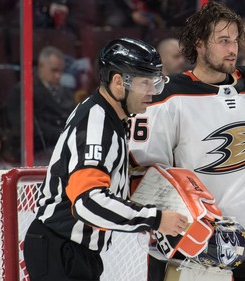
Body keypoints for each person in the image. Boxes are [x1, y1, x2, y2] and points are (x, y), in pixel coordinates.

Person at [129, 2, 245, 280]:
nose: (233, 49)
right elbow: (145, 176)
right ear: (200, 45)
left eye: (234, 41)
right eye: (222, 41)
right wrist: (176, 230)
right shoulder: (168, 98)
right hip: (197, 247)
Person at [23, 38, 188, 281]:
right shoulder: (96, 126)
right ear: (118, 82)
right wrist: (156, 219)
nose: (153, 91)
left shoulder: (109, 116)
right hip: (60, 250)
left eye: (155, 82)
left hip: (73, 251)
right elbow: (88, 203)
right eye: (145, 82)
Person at [1, 46, 76, 165]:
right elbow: (24, 128)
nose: (58, 76)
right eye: (54, 70)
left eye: (61, 71)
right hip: (37, 151)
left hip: (64, 148)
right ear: (41, 66)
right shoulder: (22, 91)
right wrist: (62, 134)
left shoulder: (67, 94)